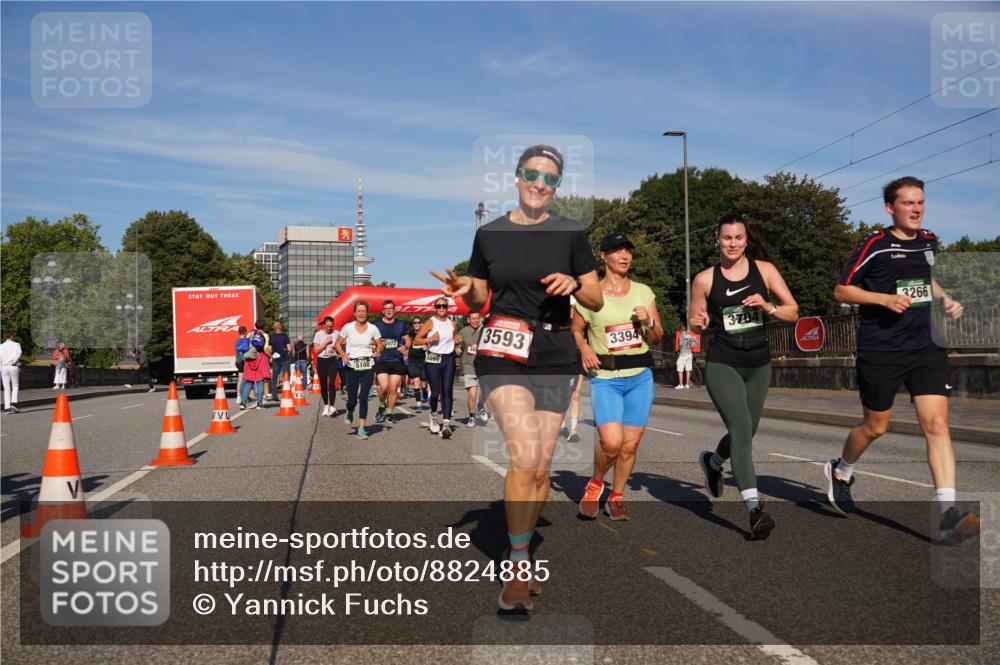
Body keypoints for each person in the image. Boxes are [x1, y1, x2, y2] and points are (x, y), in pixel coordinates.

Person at [432, 144, 602, 611]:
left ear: (558, 187)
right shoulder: (491, 233)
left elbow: (596, 297)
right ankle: (520, 561)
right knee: (525, 457)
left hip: (554, 350)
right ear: (516, 176)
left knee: (541, 467)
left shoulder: (570, 233)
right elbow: (477, 297)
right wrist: (462, 291)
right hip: (503, 349)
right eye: (532, 174)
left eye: (550, 179)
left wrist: (576, 286)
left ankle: (517, 545)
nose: (539, 184)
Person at [826, 176, 979, 544]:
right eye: (908, 203)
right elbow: (841, 289)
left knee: (937, 425)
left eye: (920, 202)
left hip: (926, 347)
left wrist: (945, 299)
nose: (916, 208)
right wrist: (884, 300)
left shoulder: (929, 241)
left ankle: (947, 516)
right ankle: (841, 470)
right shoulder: (874, 244)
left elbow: (928, 279)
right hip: (881, 349)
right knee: (876, 427)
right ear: (890, 208)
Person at [691, 213, 798, 540]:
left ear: (746, 240)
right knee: (740, 428)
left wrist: (768, 307)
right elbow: (694, 321)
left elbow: (793, 312)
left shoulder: (764, 271)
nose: (733, 244)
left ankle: (713, 461)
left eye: (738, 238)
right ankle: (754, 508)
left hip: (759, 365)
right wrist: (699, 321)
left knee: (747, 431)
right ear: (718, 241)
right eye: (727, 238)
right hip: (723, 363)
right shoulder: (705, 279)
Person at [573, 232, 661, 521]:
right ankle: (597, 481)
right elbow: (576, 330)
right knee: (611, 442)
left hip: (640, 377)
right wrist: (584, 347)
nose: (625, 256)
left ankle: (617, 496)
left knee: (630, 444)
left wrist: (647, 321)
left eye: (628, 251)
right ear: (604, 256)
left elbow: (658, 335)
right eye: (617, 251)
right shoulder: (589, 295)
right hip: (606, 378)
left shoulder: (644, 292)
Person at [334, 301, 383, 440]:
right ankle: (349, 410)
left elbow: (380, 345)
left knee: (363, 398)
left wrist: (378, 350)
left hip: (368, 365)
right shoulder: (347, 328)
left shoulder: (373, 328)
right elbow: (337, 343)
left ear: (367, 313)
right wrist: (343, 354)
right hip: (351, 366)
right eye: (359, 311)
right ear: (354, 313)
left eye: (364, 311)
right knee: (352, 400)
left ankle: (362, 428)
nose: (361, 313)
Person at [413, 297, 459, 438]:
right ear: (435, 307)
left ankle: (446, 424)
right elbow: (416, 340)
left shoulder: (452, 323)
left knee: (447, 390)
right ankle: (433, 415)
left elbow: (454, 338)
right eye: (439, 306)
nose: (441, 308)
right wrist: (430, 339)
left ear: (447, 307)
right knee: (435, 393)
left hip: (448, 358)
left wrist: (457, 344)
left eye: (444, 306)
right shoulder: (430, 322)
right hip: (433, 359)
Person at [373, 300, 410, 424]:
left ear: (394, 310)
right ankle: (381, 405)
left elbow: (407, 340)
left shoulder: (401, 324)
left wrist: (405, 348)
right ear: (383, 311)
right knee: (384, 387)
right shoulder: (376, 324)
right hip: (382, 360)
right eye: (386, 309)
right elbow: (370, 340)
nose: (389, 311)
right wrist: (375, 347)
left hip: (396, 360)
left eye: (391, 308)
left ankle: (389, 413)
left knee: (393, 389)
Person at [457, 311, 485, 427]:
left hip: (484, 366)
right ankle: (472, 417)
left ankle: (481, 406)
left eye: (477, 318)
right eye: (473, 318)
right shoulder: (463, 332)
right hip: (469, 365)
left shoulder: (485, 331)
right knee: (472, 394)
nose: (475, 320)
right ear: (468, 320)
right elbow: (458, 346)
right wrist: (457, 349)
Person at [313, 317, 339, 416]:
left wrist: (337, 347)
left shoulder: (336, 333)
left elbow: (343, 342)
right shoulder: (318, 334)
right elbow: (316, 350)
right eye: (327, 326)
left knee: (332, 383)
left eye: (331, 326)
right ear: (323, 325)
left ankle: (332, 406)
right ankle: (326, 405)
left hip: (332, 360)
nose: (329, 328)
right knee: (323, 386)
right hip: (322, 361)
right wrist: (325, 342)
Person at [238, 330, 269, 410]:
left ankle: (243, 403)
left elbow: (245, 346)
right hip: (260, 358)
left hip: (250, 360)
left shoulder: (249, 335)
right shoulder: (264, 335)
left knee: (249, 382)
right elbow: (265, 348)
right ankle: (259, 404)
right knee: (260, 382)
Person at [406, 317, 429, 413]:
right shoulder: (410, 334)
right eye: (414, 322)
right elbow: (406, 344)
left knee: (423, 384)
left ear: (421, 324)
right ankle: (419, 405)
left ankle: (424, 391)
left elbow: (432, 344)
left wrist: (427, 347)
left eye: (418, 322)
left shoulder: (426, 334)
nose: (416, 324)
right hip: (413, 361)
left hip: (423, 361)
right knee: (416, 382)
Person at [267, 321, 293, 399]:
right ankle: (286, 393)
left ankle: (274, 395)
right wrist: (291, 352)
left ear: (274, 328)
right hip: (285, 358)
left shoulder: (271, 336)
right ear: (280, 327)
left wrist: (271, 356)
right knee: (286, 376)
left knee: (274, 377)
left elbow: (270, 349)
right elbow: (289, 348)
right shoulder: (285, 336)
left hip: (275, 359)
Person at [1, 331, 22, 414]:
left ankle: (7, 408)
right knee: (15, 386)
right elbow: (19, 353)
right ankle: (13, 403)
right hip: (13, 366)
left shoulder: (1, 346)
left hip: (4, 367)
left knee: (6, 388)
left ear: (4, 337)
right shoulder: (16, 344)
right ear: (12, 336)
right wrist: (14, 361)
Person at [234, 326, 248, 395]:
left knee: (240, 379)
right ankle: (245, 395)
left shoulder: (237, 341)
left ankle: (238, 395)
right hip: (245, 362)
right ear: (245, 332)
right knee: (247, 380)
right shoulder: (247, 340)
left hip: (238, 361)